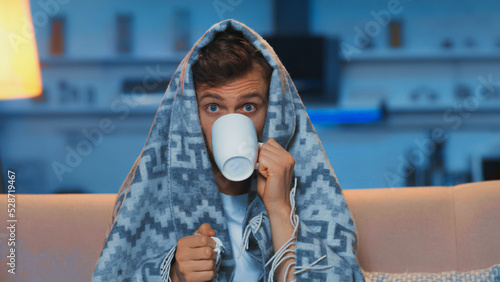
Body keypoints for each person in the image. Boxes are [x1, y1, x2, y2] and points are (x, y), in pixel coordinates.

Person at [92, 19, 365, 282]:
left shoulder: (308, 187)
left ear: (273, 112)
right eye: (213, 107)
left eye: (248, 107)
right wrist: (173, 274)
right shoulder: (149, 192)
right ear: (189, 114)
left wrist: (280, 209)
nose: (232, 122)